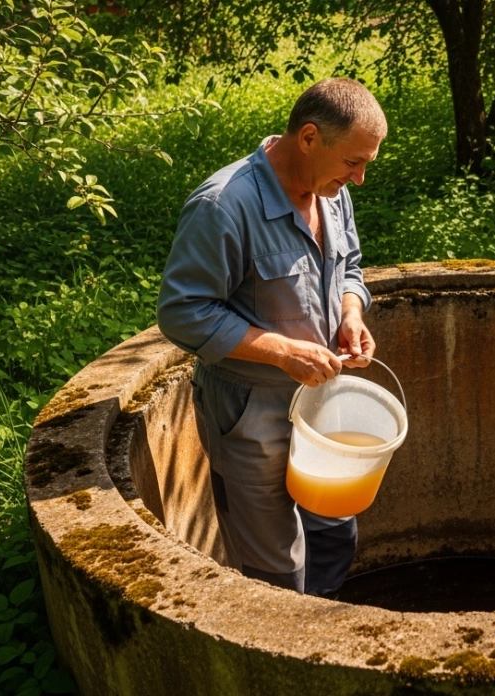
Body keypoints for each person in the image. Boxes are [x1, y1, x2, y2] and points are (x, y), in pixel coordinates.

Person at [156, 78, 386, 596]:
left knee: (333, 534)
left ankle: (324, 639)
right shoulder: (223, 206)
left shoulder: (333, 193)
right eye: (353, 162)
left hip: (322, 401)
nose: (361, 178)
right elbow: (182, 311)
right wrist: (283, 351)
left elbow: (349, 264)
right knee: (278, 572)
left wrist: (351, 311)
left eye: (367, 163)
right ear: (308, 138)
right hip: (249, 416)